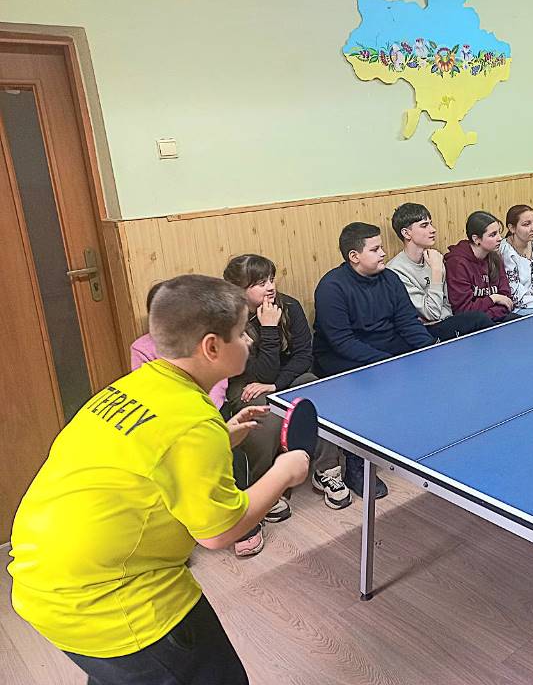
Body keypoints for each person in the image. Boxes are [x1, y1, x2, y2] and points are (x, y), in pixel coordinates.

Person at [8, 274, 309, 685]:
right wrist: (285, 470)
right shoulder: (193, 423)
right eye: (242, 333)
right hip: (111, 601)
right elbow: (219, 532)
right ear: (212, 347)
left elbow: (147, 451)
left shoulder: (132, 386)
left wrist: (221, 436)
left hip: (42, 582)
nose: (249, 341)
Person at [223, 255, 342, 546]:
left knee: (314, 388)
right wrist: (268, 329)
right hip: (246, 385)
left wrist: (277, 384)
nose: (270, 287)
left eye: (271, 280)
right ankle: (265, 487)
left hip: (284, 377)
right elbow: (256, 374)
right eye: (260, 283)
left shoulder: (289, 306)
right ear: (239, 289)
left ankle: (327, 470)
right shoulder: (229, 320)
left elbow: (304, 356)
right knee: (264, 410)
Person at [313, 222, 435, 498]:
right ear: (354, 256)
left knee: (422, 366)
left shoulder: (390, 279)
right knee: (370, 384)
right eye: (375, 249)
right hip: (341, 356)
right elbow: (341, 341)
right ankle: (357, 465)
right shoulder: (332, 287)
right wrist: (387, 363)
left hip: (384, 347)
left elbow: (407, 322)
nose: (383, 253)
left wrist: (431, 352)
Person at [386, 202, 492, 341]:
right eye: (424, 225)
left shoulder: (433, 257)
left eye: (431, 224)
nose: (433, 229)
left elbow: (447, 304)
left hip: (446, 320)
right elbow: (432, 314)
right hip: (426, 330)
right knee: (479, 319)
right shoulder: (396, 270)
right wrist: (436, 272)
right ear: (406, 233)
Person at [131, 281, 227, 410]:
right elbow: (147, 388)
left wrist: (208, 407)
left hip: (210, 406)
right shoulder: (141, 348)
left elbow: (218, 379)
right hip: (170, 409)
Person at [444, 211, 514, 321]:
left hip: (496, 318)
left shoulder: (494, 257)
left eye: (499, 233)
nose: (500, 238)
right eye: (493, 235)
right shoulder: (457, 264)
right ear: (476, 239)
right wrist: (493, 298)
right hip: (473, 324)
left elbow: (506, 299)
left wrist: (492, 313)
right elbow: (464, 310)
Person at [499, 204, 533, 312]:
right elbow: (514, 293)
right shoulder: (506, 251)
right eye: (526, 224)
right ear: (512, 228)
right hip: (520, 309)